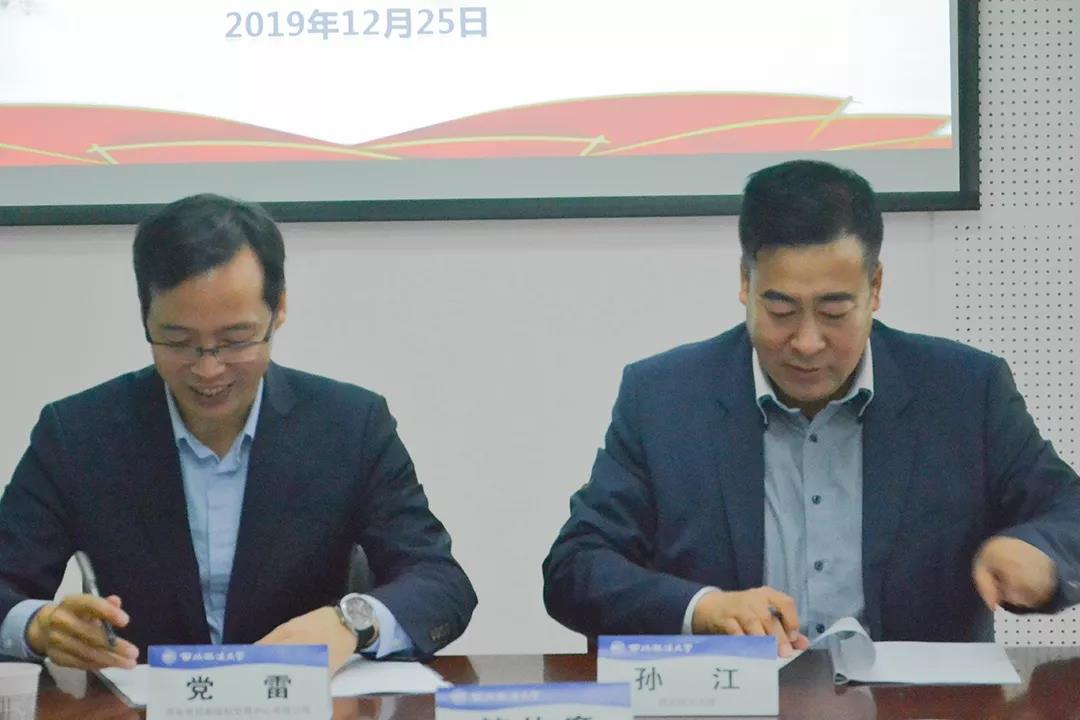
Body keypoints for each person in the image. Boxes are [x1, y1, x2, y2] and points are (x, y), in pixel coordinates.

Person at [542, 160, 1080, 657]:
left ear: (875, 287)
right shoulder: (663, 398)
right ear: (745, 283)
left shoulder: (964, 392)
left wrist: (1042, 554)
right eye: (780, 310)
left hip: (916, 706)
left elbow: (1069, 513)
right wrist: (702, 609)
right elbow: (575, 567)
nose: (806, 342)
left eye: (834, 311)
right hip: (732, 704)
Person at [0, 194, 476, 672]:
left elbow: (440, 582)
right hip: (138, 701)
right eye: (178, 341)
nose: (209, 369)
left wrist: (352, 622)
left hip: (301, 699)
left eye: (235, 341)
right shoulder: (79, 434)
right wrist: (38, 626)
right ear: (145, 315)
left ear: (278, 309)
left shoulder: (350, 426)